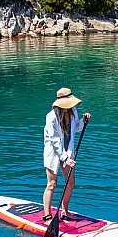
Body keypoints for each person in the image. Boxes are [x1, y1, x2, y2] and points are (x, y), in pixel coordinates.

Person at [43, 87, 91, 223]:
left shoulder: (73, 111)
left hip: (67, 152)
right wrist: (65, 158)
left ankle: (65, 211)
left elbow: (75, 128)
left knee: (70, 182)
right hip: (53, 153)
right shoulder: (51, 117)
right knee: (52, 184)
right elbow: (54, 140)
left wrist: (83, 121)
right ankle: (47, 216)